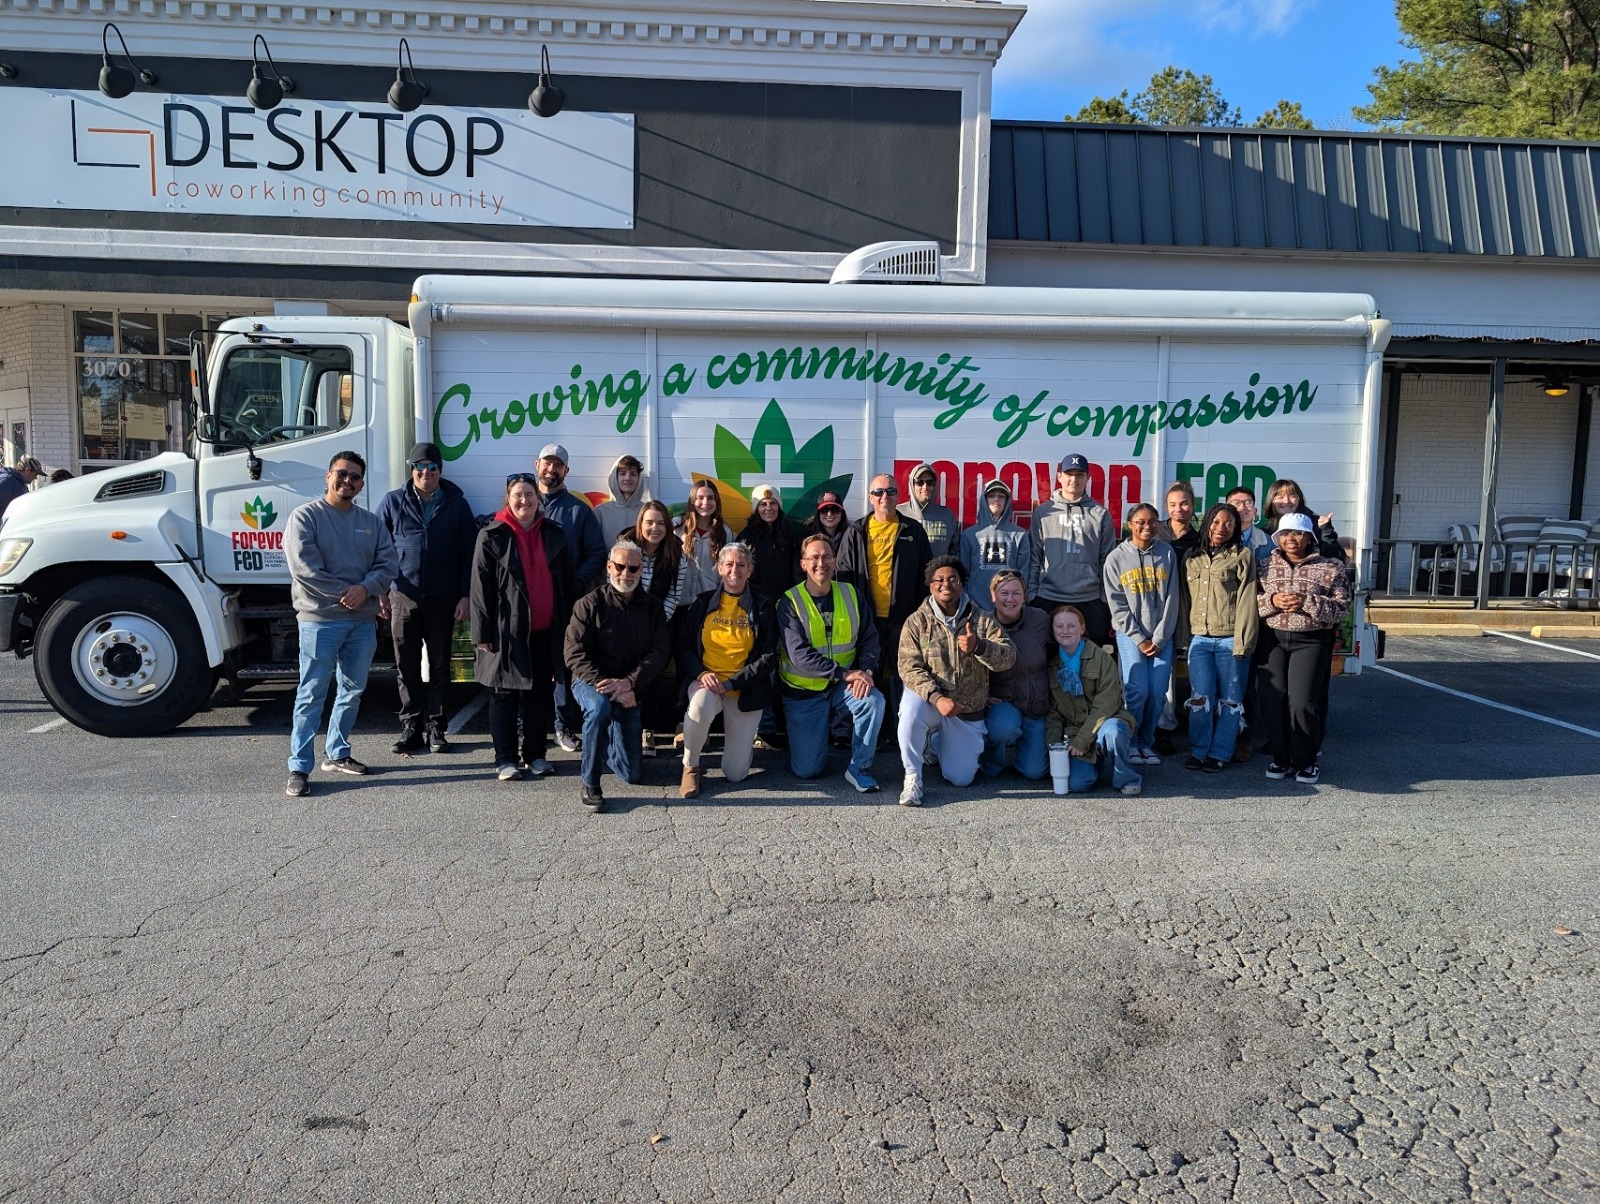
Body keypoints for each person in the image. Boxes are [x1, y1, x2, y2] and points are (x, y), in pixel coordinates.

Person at [282, 450, 398, 797]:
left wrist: (365, 589)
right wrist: (348, 594)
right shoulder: (306, 517)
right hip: (320, 620)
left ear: (361, 484)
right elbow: (304, 568)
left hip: (361, 623)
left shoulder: (371, 523)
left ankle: (337, 753)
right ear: (328, 476)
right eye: (341, 473)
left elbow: (388, 563)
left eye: (355, 476)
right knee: (311, 693)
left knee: (352, 691)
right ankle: (299, 767)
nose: (347, 480)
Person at [471, 472, 576, 781]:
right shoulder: (491, 535)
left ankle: (536, 755)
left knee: (539, 694)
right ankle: (505, 759)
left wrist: (569, 630)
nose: (524, 500)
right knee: (503, 694)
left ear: (537, 498)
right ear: (508, 499)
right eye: (518, 495)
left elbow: (567, 585)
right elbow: (479, 588)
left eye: (529, 494)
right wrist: (482, 633)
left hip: (546, 631)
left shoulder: (554, 533)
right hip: (505, 631)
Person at [375, 441, 478, 755]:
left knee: (439, 666)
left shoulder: (457, 504)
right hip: (402, 596)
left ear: (440, 471)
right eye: (419, 466)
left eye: (432, 467)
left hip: (443, 598)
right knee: (405, 666)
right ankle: (410, 727)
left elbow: (469, 553)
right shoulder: (393, 501)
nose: (425, 472)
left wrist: (465, 595)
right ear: (412, 469)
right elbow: (377, 548)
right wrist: (380, 590)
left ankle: (436, 728)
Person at [895, 556, 1015, 807]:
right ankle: (913, 776)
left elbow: (1009, 657)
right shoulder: (917, 622)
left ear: (962, 584)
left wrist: (979, 647)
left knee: (961, 778)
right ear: (930, 586)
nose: (946, 584)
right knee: (910, 710)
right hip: (930, 704)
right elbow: (908, 667)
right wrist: (937, 698)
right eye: (939, 580)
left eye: (952, 579)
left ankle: (934, 743)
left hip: (965, 711)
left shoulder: (982, 620)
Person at [564, 540, 672, 812]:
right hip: (591, 681)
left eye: (633, 568)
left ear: (641, 569)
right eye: (621, 567)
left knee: (631, 774)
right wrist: (610, 686)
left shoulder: (653, 607)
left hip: (630, 687)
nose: (626, 573)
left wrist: (631, 682)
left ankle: (605, 743)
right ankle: (590, 782)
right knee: (599, 708)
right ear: (609, 567)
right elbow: (574, 652)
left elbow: (660, 652)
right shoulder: (589, 604)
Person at [777, 534, 885, 793]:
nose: (820, 563)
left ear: (835, 561)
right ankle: (814, 737)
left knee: (873, 701)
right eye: (814, 557)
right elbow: (799, 654)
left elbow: (870, 638)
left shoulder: (851, 593)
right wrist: (845, 673)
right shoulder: (790, 601)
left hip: (840, 687)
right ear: (803, 564)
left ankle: (859, 767)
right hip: (804, 692)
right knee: (807, 770)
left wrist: (866, 671)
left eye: (826, 557)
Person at [676, 542, 779, 797]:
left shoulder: (763, 606)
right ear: (719, 568)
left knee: (735, 774)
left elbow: (768, 657)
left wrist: (732, 683)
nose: (735, 570)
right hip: (707, 685)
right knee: (699, 706)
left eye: (741, 565)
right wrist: (701, 674)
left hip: (745, 690)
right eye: (729, 564)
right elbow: (682, 646)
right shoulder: (702, 603)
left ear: (750, 570)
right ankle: (690, 766)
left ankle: (738, 750)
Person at [1257, 513, 1351, 785]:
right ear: (1278, 537)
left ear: (1309, 537)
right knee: (1272, 699)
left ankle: (1306, 761)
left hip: (1311, 641)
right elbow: (1247, 602)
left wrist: (1306, 602)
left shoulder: (1329, 568)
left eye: (1298, 533)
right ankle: (1280, 758)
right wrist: (1273, 600)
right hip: (1272, 640)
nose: (1291, 539)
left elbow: (1342, 609)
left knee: (1301, 703)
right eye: (1286, 533)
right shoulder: (1263, 566)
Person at [837, 473, 932, 719]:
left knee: (905, 677)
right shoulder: (856, 531)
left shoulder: (913, 530)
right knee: (871, 675)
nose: (884, 497)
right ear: (870, 497)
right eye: (878, 492)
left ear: (898, 496)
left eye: (890, 491)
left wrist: (920, 615)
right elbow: (843, 576)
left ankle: (902, 730)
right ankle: (876, 732)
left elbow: (926, 576)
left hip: (904, 619)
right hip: (867, 619)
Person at [534, 443, 606, 754]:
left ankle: (562, 726)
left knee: (562, 666)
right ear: (537, 465)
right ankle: (530, 726)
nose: (552, 469)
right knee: (531, 665)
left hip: (565, 604)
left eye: (558, 465)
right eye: (547, 463)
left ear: (566, 470)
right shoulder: (523, 504)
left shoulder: (578, 510)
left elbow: (597, 553)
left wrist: (573, 582)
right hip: (529, 604)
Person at [1181, 502, 1259, 773]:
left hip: (1230, 638)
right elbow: (1183, 599)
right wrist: (1183, 638)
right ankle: (1198, 751)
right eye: (1215, 522)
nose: (1221, 528)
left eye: (1228, 523)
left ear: (1236, 528)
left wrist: (1244, 641)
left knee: (1230, 700)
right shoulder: (1191, 556)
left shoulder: (1243, 556)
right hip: (1199, 639)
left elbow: (1248, 600)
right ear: (1206, 523)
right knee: (1200, 698)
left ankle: (1220, 753)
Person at [1103, 503, 1178, 766]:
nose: (1147, 526)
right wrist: (1139, 638)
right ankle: (1131, 742)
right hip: (1130, 635)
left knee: (1157, 692)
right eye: (1141, 522)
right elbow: (1116, 604)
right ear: (1130, 525)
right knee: (1137, 690)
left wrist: (1159, 638)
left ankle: (1146, 743)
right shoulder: (1115, 558)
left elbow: (1173, 598)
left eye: (1153, 521)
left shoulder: (1167, 553)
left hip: (1161, 636)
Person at [618, 499, 690, 757]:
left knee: (654, 673)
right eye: (649, 522)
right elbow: (615, 585)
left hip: (661, 623)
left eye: (660, 523)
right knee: (628, 670)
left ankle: (650, 727)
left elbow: (674, 595)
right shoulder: (624, 545)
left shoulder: (677, 552)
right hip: (626, 621)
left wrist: (655, 625)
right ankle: (634, 728)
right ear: (640, 523)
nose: (655, 528)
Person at [1045, 604, 1141, 796]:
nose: (1065, 630)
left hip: (1105, 722)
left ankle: (1126, 777)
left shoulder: (1102, 658)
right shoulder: (1052, 665)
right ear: (1053, 630)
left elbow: (1106, 705)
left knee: (1114, 732)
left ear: (1082, 628)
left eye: (1072, 626)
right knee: (1078, 784)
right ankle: (1097, 763)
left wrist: (1083, 740)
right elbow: (1054, 712)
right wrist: (1055, 747)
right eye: (1059, 626)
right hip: (1074, 731)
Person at [1028, 453, 1117, 645]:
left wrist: (1104, 598)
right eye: (1069, 474)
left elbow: (1107, 560)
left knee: (1090, 656)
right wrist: (1032, 595)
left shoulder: (1100, 514)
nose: (1074, 479)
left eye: (1079, 475)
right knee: (1047, 654)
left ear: (1088, 478)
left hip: (1090, 598)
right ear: (1059, 476)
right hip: (1049, 596)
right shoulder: (1043, 513)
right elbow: (1035, 556)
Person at [979, 569, 1051, 781]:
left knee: (1034, 772)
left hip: (1036, 705)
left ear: (1024, 596)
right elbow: (970, 668)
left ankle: (1024, 754)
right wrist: (983, 695)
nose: (1010, 599)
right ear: (993, 595)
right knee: (1003, 728)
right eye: (1004, 593)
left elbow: (1059, 654)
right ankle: (992, 761)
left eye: (1016, 593)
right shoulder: (982, 625)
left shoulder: (1040, 620)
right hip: (1004, 703)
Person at [961, 478, 1032, 613]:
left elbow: (1023, 574)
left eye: (1001, 496)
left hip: (1008, 607)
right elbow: (964, 573)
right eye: (991, 496)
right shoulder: (969, 535)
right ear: (984, 500)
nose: (996, 499)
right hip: (976, 607)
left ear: (1007, 501)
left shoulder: (1020, 535)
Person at [739, 482, 800, 601]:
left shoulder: (793, 532)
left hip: (788, 598)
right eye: (763, 504)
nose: (768, 508)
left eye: (773, 503)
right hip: (757, 600)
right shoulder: (746, 537)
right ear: (757, 509)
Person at [677, 479, 735, 600]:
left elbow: (728, 570)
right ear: (692, 500)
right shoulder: (678, 529)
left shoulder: (725, 532)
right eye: (700, 497)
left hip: (709, 601)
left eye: (710, 498)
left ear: (716, 501)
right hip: (678, 601)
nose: (705, 502)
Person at [1262, 478, 1345, 562]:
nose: (1286, 501)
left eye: (1292, 496)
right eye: (1280, 497)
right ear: (1271, 501)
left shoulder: (1316, 525)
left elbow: (1337, 558)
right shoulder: (1264, 533)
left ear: (1299, 499)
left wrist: (1326, 531)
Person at [898, 462, 960, 557]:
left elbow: (955, 551)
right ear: (912, 485)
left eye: (930, 482)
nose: (925, 487)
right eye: (920, 482)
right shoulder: (898, 513)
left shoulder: (947, 515)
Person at [594, 454, 650, 544]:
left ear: (639, 479)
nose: (628, 478)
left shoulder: (647, 511)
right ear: (615, 478)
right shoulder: (600, 512)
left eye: (633, 474)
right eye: (623, 473)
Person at [1225, 486, 1273, 561]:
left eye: (1248, 503)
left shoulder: (1268, 542)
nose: (1242, 507)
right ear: (1226, 510)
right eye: (1236, 503)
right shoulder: (1217, 537)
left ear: (1255, 511)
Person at [798, 491, 850, 556]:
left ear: (842, 513)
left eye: (835, 509)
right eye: (824, 510)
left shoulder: (851, 535)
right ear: (818, 514)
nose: (829, 514)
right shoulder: (806, 536)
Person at [0, 455, 43, 520]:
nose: (35, 478)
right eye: (35, 474)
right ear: (27, 470)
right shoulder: (8, 480)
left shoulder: (21, 483)